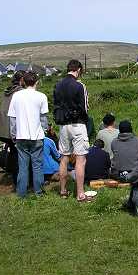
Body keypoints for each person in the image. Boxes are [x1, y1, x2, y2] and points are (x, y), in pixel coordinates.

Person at [53, 59, 90, 202]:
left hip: (63, 126)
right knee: (80, 159)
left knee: (64, 158)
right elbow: (85, 108)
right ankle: (80, 194)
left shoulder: (58, 85)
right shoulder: (79, 85)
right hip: (77, 124)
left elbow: (56, 104)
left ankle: (63, 191)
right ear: (79, 69)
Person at [8, 72, 48, 197]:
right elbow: (43, 119)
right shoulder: (41, 96)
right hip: (37, 136)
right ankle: (39, 191)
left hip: (21, 136)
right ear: (37, 82)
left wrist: (13, 135)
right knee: (37, 166)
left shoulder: (16, 96)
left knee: (23, 166)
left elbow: (13, 119)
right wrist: (45, 130)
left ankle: (21, 193)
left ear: (23, 82)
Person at [0, 70, 25, 183]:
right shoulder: (20, 92)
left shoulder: (8, 91)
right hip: (13, 127)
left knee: (13, 150)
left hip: (2, 127)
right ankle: (18, 179)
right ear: (22, 80)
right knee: (18, 152)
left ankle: (11, 172)